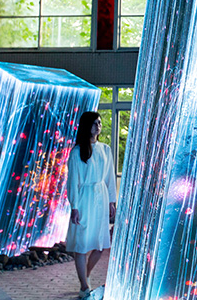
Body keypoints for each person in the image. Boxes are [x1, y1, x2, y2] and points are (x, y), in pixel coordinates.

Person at [66, 112, 117, 299]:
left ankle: (85, 275)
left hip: (101, 198)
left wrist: (112, 201)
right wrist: (75, 206)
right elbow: (73, 181)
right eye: (94, 123)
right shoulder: (77, 152)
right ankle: (84, 285)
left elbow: (110, 177)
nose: (98, 126)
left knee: (100, 245)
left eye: (100, 122)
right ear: (86, 126)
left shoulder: (105, 149)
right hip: (84, 198)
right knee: (81, 243)